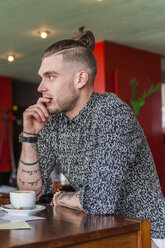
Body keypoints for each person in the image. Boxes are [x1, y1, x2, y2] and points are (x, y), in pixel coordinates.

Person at [17, 26, 165, 247]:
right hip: (101, 230)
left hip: (147, 233)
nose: (40, 87)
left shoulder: (112, 111)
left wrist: (58, 198)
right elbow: (31, 195)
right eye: (42, 78)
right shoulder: (51, 121)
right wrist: (29, 135)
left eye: (51, 77)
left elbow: (100, 202)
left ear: (80, 79)